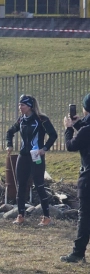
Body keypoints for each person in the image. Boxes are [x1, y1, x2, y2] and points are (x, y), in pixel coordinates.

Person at [6, 94, 57, 226]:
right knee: (21, 185)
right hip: (23, 155)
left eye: (22, 105)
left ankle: (46, 217)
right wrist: (9, 145)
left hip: (36, 156)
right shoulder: (21, 120)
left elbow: (53, 135)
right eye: (19, 104)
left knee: (39, 185)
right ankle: (20, 215)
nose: (20, 107)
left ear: (29, 106)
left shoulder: (41, 119)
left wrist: (44, 148)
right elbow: (10, 132)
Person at [60, 94, 90, 262]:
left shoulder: (85, 130)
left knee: (85, 217)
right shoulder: (85, 128)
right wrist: (79, 123)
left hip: (88, 179)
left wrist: (69, 128)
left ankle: (78, 253)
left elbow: (71, 145)